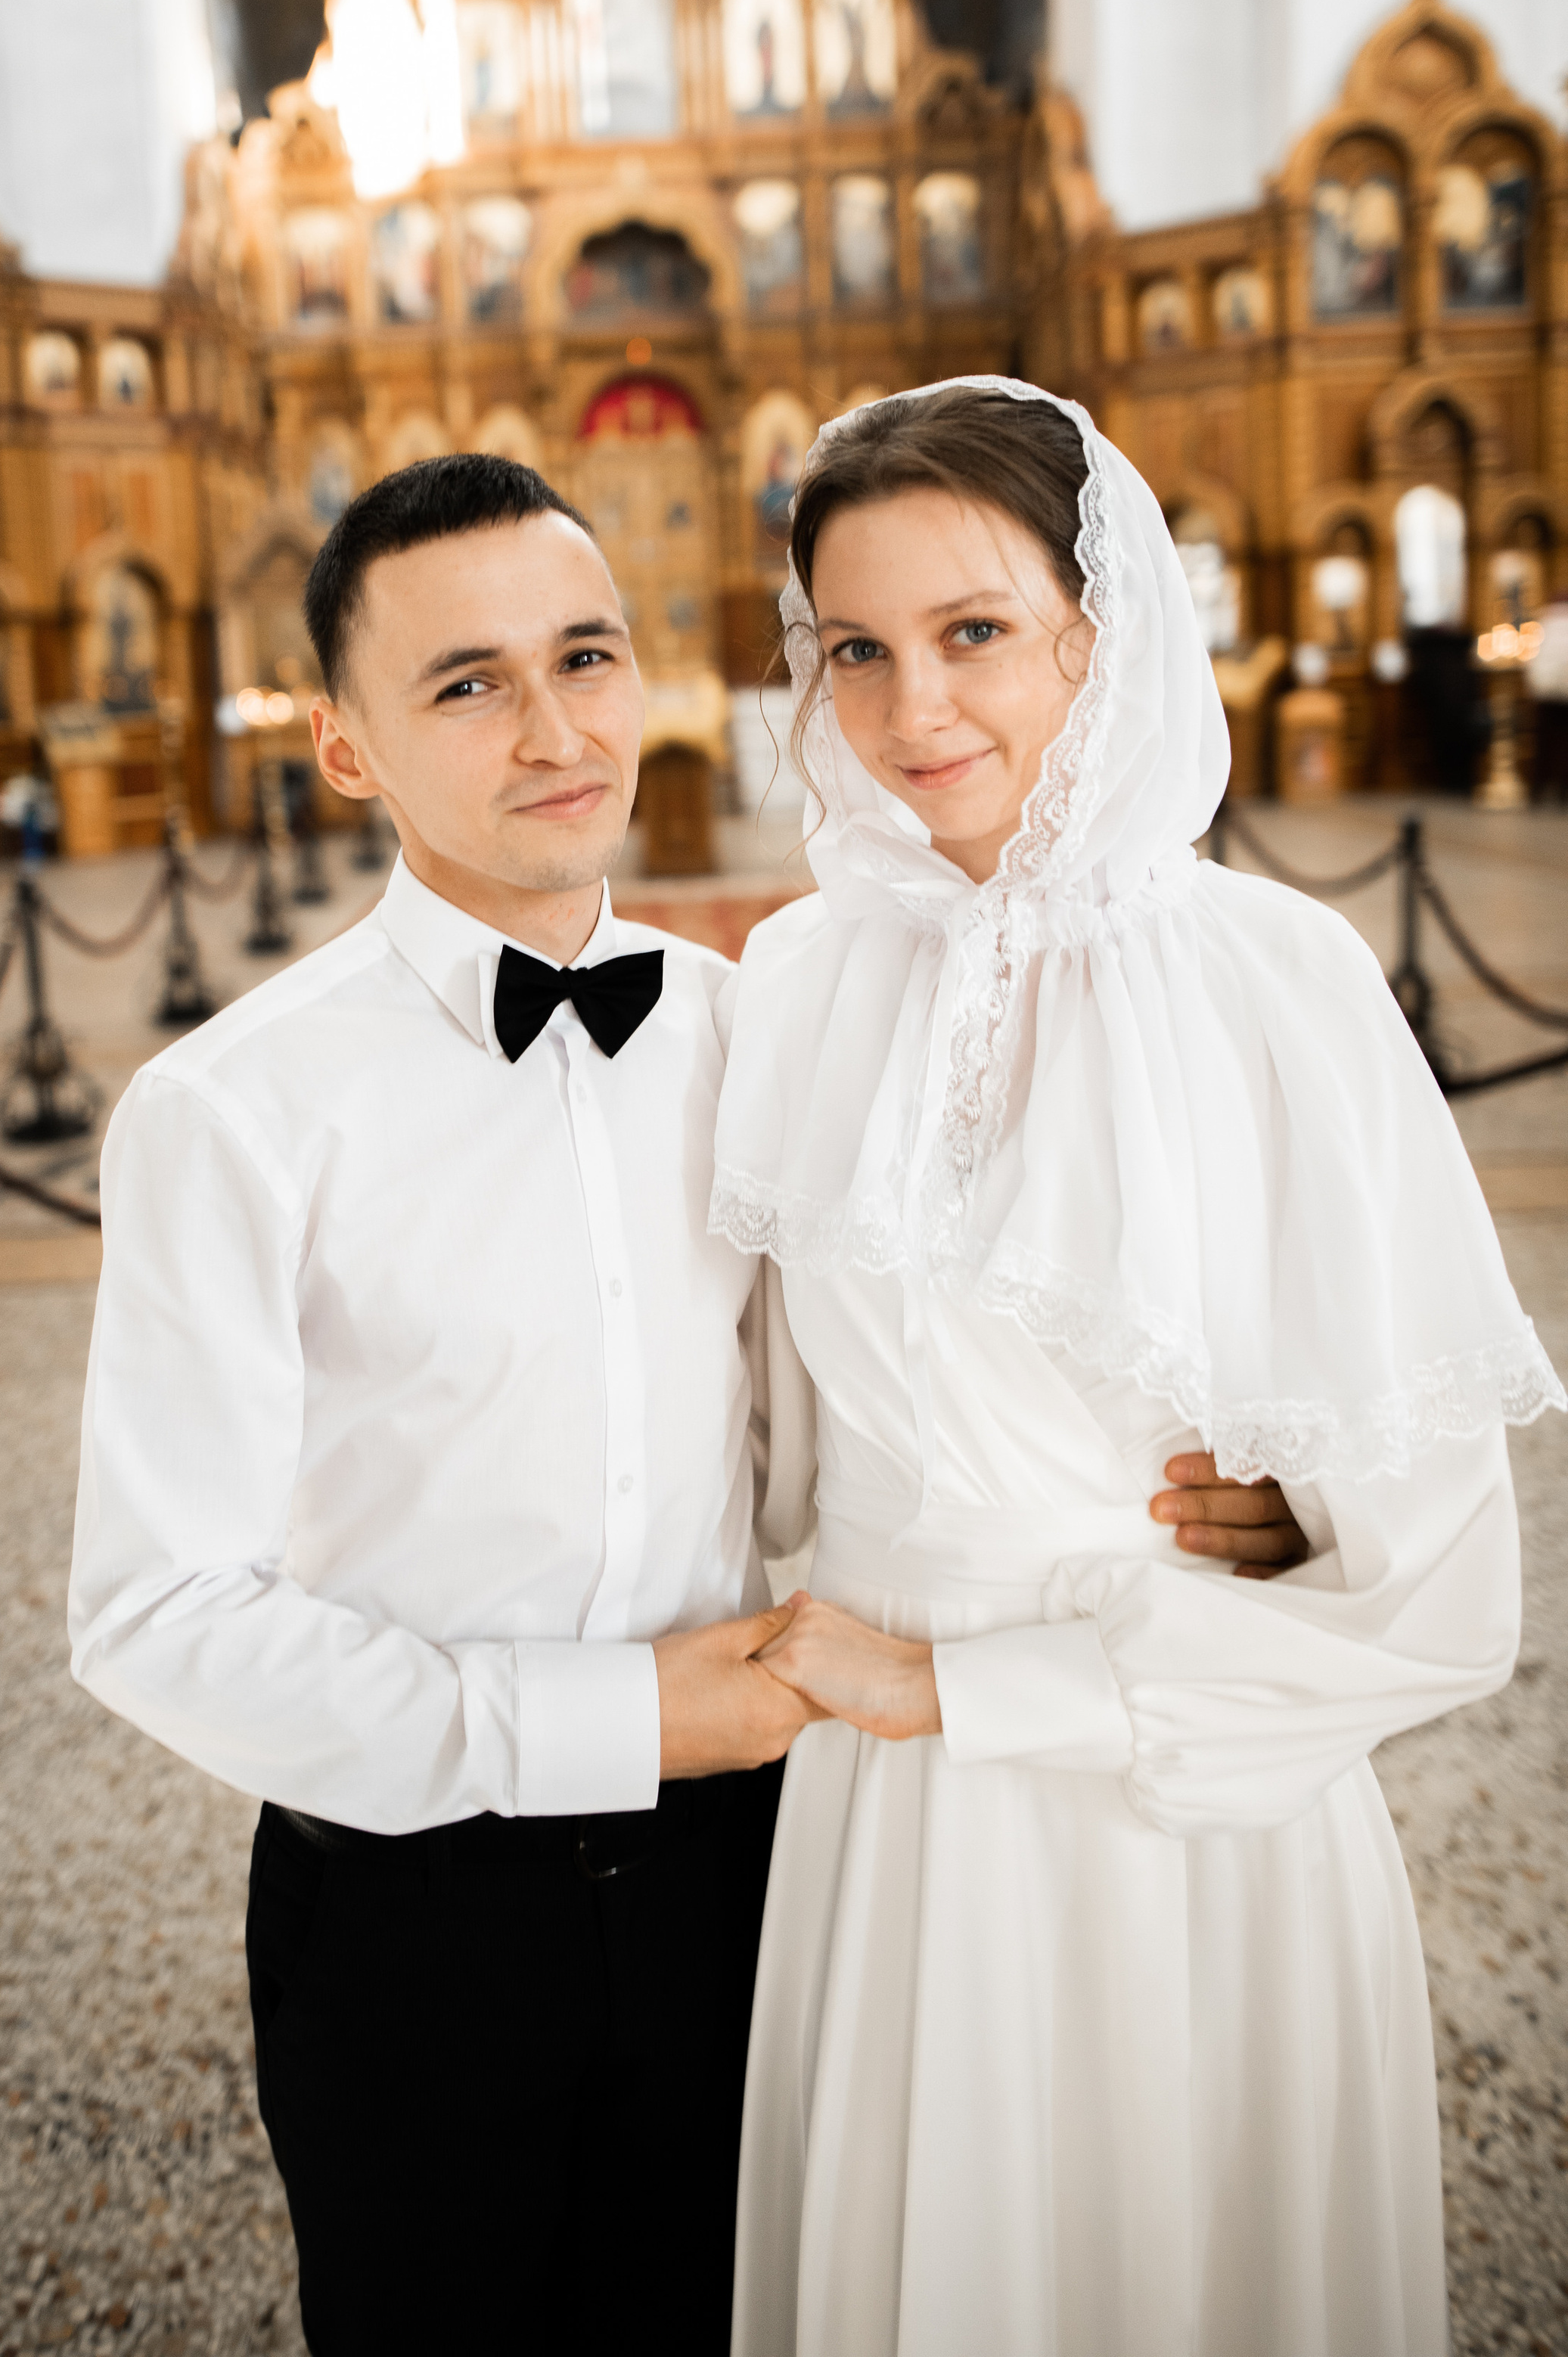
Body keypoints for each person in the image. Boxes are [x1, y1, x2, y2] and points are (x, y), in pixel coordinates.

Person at [67, 452, 1303, 2356]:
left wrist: (1214, 1477)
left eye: (584, 657)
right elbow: (155, 1616)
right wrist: (620, 1715)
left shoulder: (754, 1026)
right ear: (343, 747)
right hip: (412, 1911)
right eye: (465, 684)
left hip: (749, 1877)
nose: (554, 731)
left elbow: (895, 1379)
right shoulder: (230, 1114)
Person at [711, 380, 1562, 2357]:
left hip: (1172, 1813)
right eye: (855, 648)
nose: (912, 707)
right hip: (884, 1829)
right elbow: (746, 1452)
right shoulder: (797, 980)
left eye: (974, 631)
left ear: (1102, 635)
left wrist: (966, 1681)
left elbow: (1443, 1602)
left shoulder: (1278, 982)